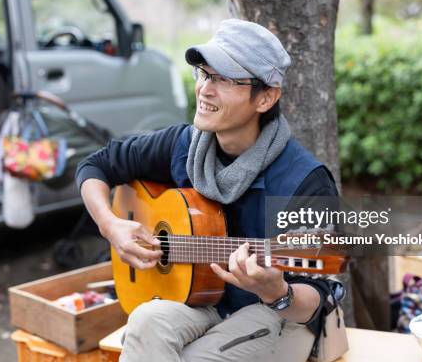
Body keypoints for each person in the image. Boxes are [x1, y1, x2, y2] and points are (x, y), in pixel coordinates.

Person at [76, 19, 341, 362]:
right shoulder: (184, 145)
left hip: (275, 312)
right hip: (201, 300)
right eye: (203, 74)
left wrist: (277, 290)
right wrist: (110, 225)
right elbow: (97, 165)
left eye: (223, 80)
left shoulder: (305, 182)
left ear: (266, 97)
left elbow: (315, 299)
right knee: (144, 322)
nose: (204, 89)